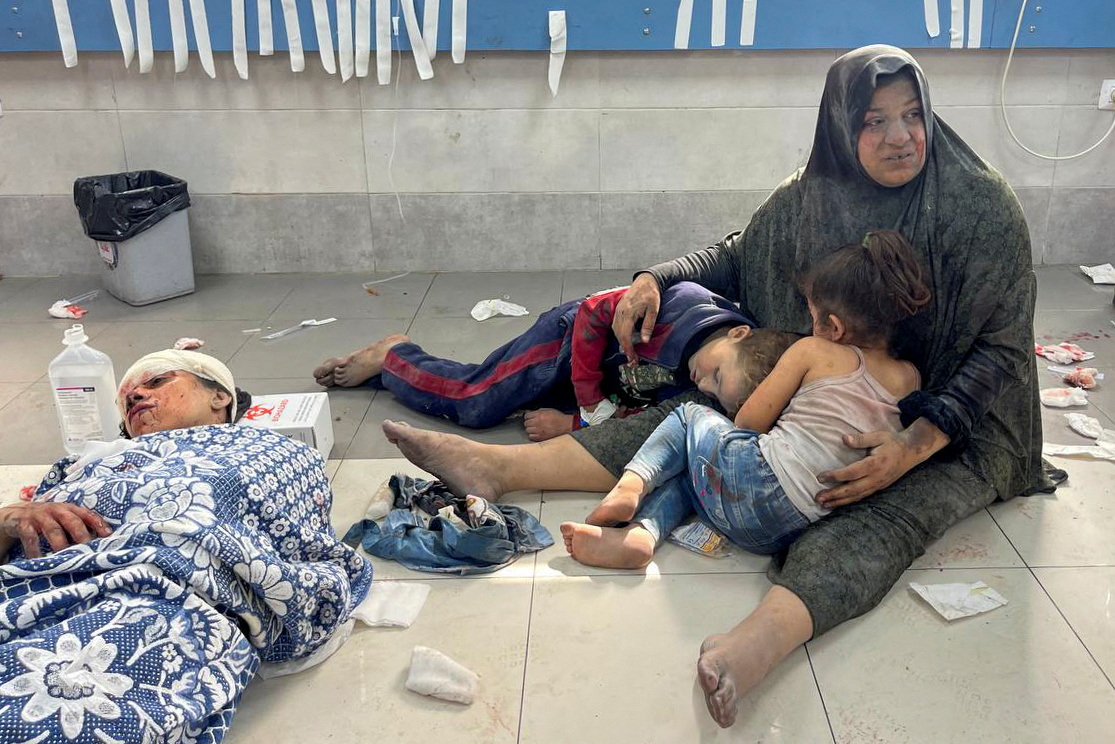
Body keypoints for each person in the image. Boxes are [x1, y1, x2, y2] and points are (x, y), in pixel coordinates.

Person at [379, 44, 1047, 728]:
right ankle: (498, 469)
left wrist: (910, 446)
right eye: (874, 121)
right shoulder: (811, 196)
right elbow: (735, 252)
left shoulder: (977, 206)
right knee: (699, 416)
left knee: (873, 509)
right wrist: (655, 278)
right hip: (831, 395)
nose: (900, 137)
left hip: (957, 427)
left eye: (912, 116)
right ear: (840, 127)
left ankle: (755, 645)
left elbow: (1000, 351)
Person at [0, 350, 371, 743]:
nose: (136, 395)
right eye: (126, 401)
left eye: (157, 381)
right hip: (24, 587)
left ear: (220, 396)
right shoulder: (79, 466)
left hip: (158, 597)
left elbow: (296, 547)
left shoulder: (271, 450)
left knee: (50, 705)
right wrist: (8, 520)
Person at [560, 230, 928, 569]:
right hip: (785, 529)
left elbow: (748, 423)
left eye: (813, 316)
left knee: (689, 416)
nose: (809, 325)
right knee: (693, 475)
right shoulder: (911, 378)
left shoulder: (812, 350)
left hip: (760, 481)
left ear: (834, 327)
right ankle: (641, 535)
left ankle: (630, 487)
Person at [313, 282, 792, 440]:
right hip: (565, 344)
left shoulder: (704, 376)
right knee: (477, 400)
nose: (704, 385)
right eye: (717, 374)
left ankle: (394, 369)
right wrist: (587, 404)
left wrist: (573, 424)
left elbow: (645, 412)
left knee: (501, 396)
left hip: (603, 379)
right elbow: (593, 313)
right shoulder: (675, 306)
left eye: (714, 391)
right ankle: (394, 355)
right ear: (737, 333)